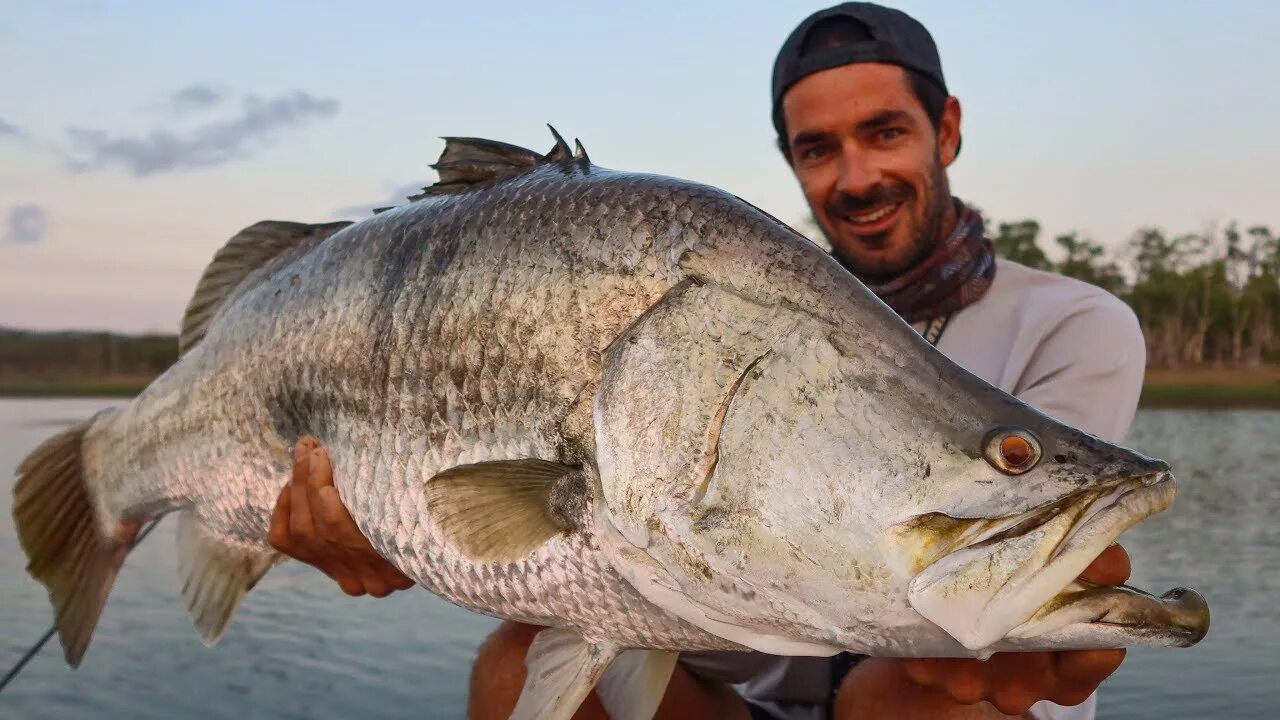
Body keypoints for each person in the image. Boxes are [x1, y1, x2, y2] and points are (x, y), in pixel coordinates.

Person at [267, 3, 1148, 718]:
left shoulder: (1076, 323)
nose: (855, 176)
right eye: (818, 148)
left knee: (947, 704)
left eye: (884, 133)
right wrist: (407, 538)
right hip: (734, 686)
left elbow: (953, 593)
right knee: (514, 666)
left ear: (945, 129)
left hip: (913, 689)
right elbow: (593, 548)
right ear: (791, 162)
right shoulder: (744, 312)